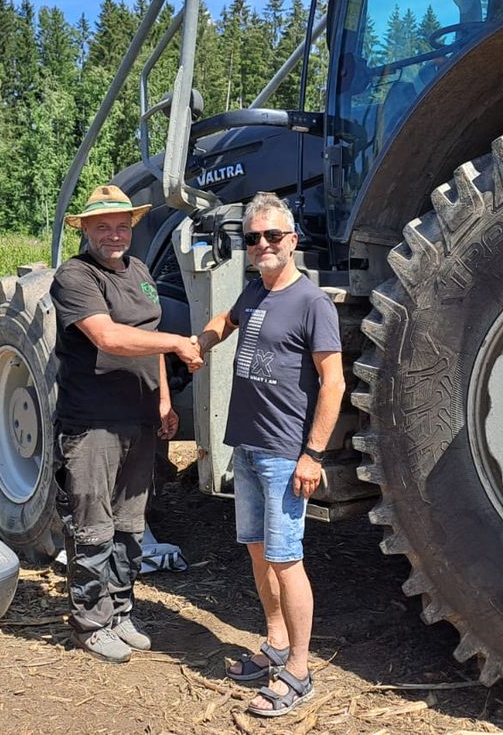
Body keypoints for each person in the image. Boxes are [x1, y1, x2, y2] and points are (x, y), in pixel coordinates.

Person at [197, 192, 344, 717]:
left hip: (286, 454)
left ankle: (299, 670)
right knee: (259, 552)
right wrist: (203, 342)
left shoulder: (312, 303)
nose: (262, 245)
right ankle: (275, 644)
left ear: (292, 241)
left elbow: (333, 382)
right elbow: (225, 319)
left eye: (272, 236)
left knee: (287, 561)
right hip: (248, 448)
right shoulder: (254, 293)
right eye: (253, 238)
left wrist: (314, 454)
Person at [50, 184, 204, 664]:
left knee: (129, 526)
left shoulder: (138, 271)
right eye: (103, 227)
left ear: (131, 228)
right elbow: (108, 336)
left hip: (138, 417)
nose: (113, 234)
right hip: (94, 423)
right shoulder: (75, 276)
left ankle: (119, 612)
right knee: (92, 526)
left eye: (121, 226)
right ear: (86, 230)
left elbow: (148, 336)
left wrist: (163, 401)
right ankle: (90, 622)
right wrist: (179, 343)